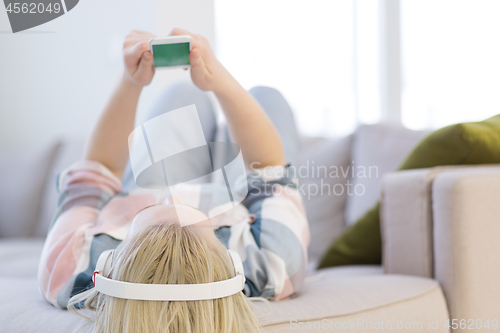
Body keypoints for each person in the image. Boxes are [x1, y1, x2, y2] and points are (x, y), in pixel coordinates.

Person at [37, 28, 310, 332]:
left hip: (174, 196)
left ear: (107, 265)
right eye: (196, 216)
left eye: (151, 212)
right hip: (241, 203)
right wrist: (222, 82)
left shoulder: (69, 271)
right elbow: (269, 169)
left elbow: (100, 168)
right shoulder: (274, 262)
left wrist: (130, 82)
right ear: (233, 263)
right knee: (266, 96)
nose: (175, 195)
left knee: (183, 95)